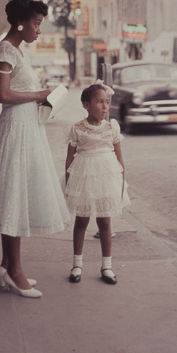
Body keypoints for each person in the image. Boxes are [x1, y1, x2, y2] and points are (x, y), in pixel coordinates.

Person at [0, 0, 69, 298]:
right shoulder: (5, 51)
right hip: (15, 129)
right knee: (14, 196)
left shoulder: (15, 52)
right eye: (37, 24)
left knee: (18, 195)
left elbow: (16, 90)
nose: (39, 30)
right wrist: (39, 94)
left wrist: (42, 98)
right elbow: (1, 95)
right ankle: (15, 271)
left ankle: (7, 264)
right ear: (20, 23)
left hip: (27, 128)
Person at [64, 81, 129, 285]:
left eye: (106, 102)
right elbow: (69, 159)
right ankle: (77, 264)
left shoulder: (112, 128)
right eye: (99, 102)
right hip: (83, 177)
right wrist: (69, 185)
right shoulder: (77, 129)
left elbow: (120, 160)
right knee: (81, 220)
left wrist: (120, 184)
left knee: (105, 222)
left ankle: (107, 266)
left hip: (106, 177)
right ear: (86, 104)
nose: (104, 107)